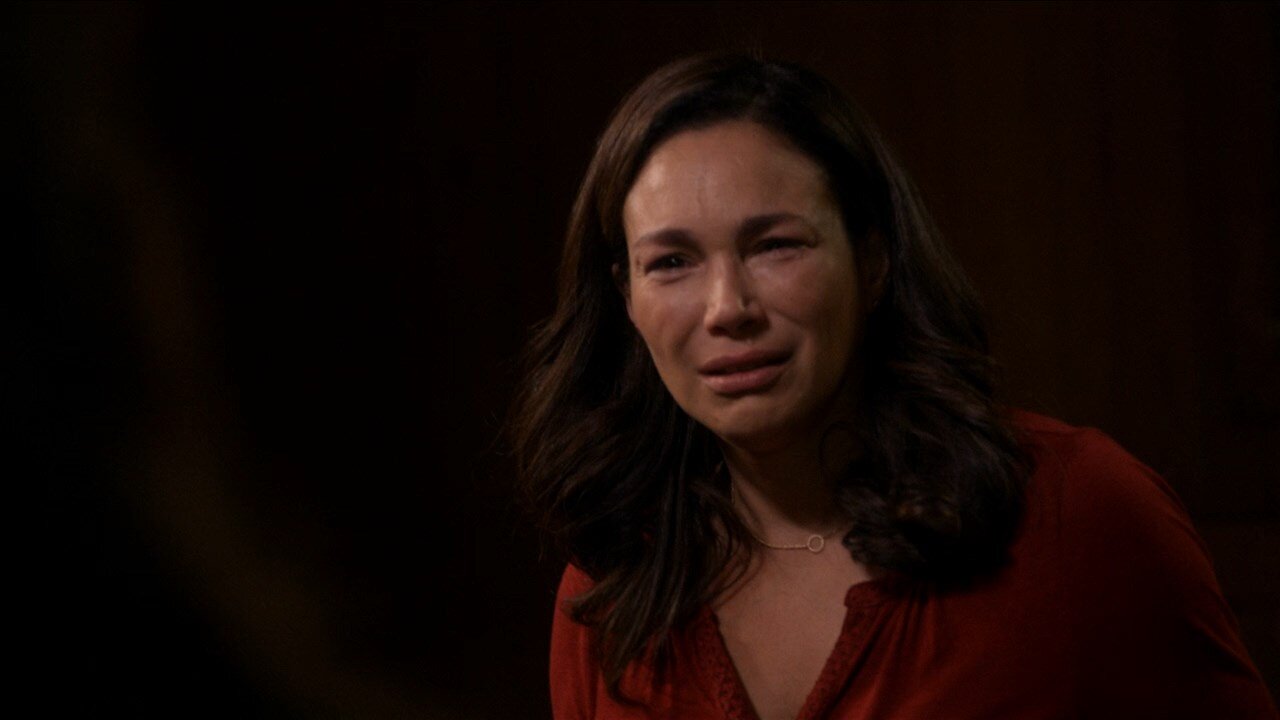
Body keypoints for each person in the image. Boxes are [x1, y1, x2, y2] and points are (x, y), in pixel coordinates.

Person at [511, 55, 1277, 720]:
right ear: (626, 297)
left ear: (872, 260)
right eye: (672, 262)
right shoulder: (609, 587)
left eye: (775, 245)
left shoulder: (1080, 513)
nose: (727, 309)